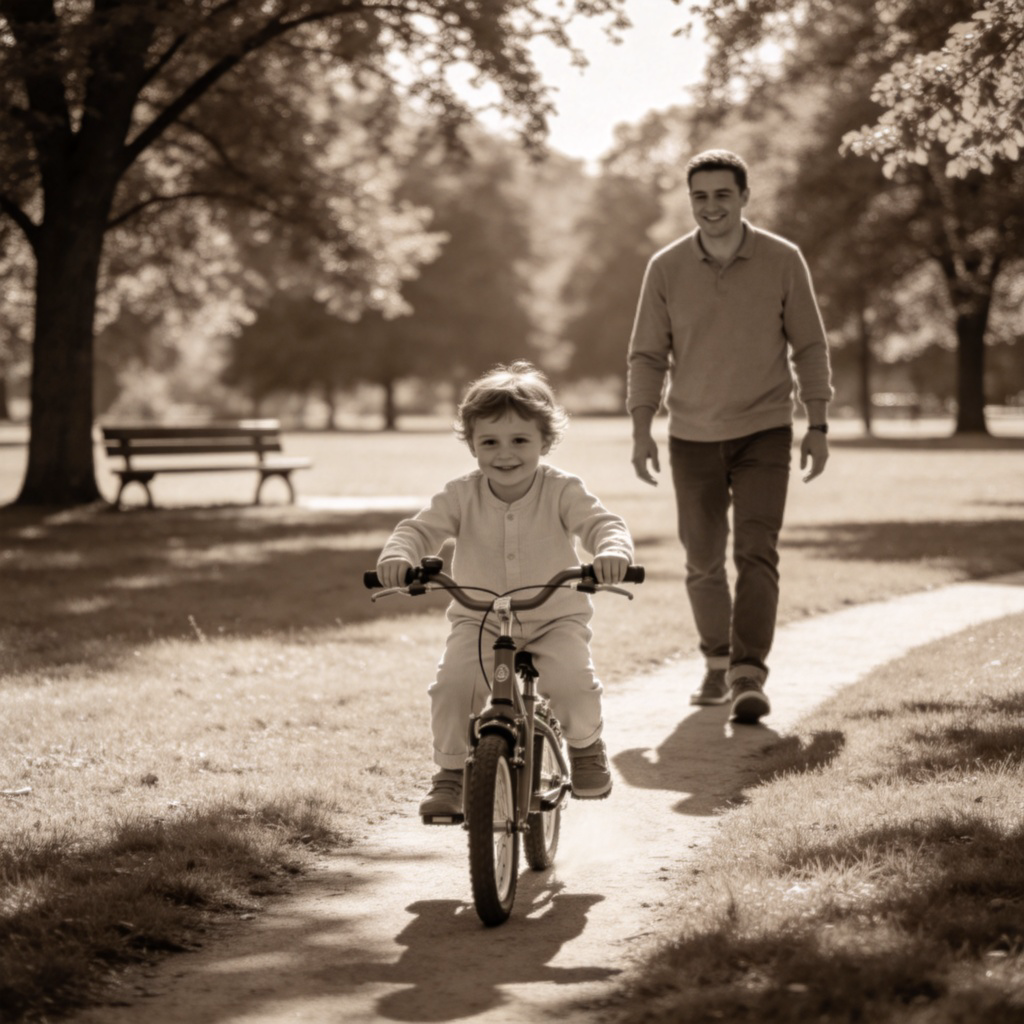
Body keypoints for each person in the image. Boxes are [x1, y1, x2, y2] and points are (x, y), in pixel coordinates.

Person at [627, 149, 833, 724]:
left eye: (722, 194)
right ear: (690, 201)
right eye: (700, 196)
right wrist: (642, 428)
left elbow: (810, 346)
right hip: (690, 435)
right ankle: (716, 663)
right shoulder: (665, 267)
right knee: (701, 561)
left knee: (756, 552)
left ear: (744, 197)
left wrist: (816, 422)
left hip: (765, 429)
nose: (711, 206)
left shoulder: (783, 259)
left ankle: (748, 673)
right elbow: (647, 353)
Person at [376, 361, 634, 816]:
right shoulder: (461, 494)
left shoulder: (561, 489)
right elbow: (418, 530)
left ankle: (586, 747)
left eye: (520, 440)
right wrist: (398, 558)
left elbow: (601, 525)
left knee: (573, 683)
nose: (505, 453)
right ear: (472, 445)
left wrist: (612, 553)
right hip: (479, 620)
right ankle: (451, 774)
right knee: (453, 686)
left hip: (554, 617)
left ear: (545, 442)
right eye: (489, 442)